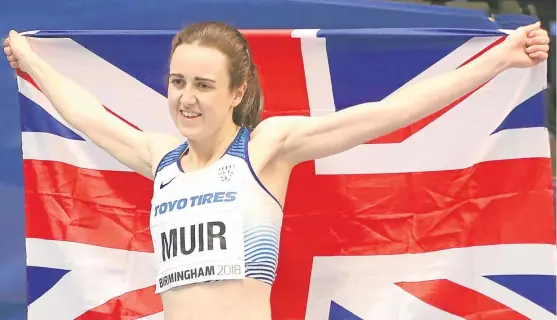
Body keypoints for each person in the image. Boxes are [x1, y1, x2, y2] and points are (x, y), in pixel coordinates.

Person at [3, 21, 550, 320]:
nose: (186, 99)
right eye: (177, 83)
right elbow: (86, 116)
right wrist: (31, 60)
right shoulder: (160, 157)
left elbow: (389, 114)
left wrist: (500, 59)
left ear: (238, 92)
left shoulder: (267, 147)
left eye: (203, 85)